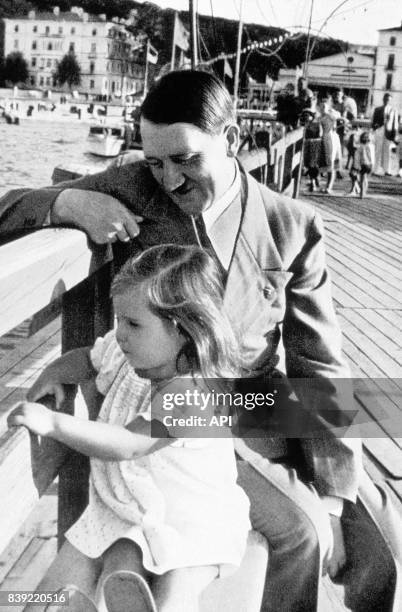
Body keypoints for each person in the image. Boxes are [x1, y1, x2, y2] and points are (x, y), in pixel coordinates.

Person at [1, 70, 401, 612]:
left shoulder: (291, 223)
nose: (169, 179)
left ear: (231, 140)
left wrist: (336, 489)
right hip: (182, 414)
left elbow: (319, 361)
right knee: (301, 532)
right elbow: (10, 206)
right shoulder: (133, 186)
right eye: (155, 161)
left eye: (186, 159)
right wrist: (69, 205)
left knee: (378, 522)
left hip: (263, 396)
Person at [8, 244, 251, 612]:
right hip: (133, 510)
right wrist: (52, 375)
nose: (120, 333)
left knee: (178, 580)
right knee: (123, 557)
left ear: (184, 330)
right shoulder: (127, 354)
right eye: (119, 319)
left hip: (195, 521)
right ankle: (103, 603)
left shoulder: (192, 394)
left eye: (133, 324)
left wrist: (55, 422)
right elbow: (85, 359)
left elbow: (128, 444)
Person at [318, 96, 342, 194]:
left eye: (325, 106)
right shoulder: (319, 118)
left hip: (331, 139)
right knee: (322, 162)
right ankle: (317, 184)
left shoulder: (331, 115)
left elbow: (340, 118)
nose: (323, 108)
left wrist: (330, 112)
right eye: (321, 106)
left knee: (331, 163)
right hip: (322, 140)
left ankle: (329, 186)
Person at [372, 93, 399, 176]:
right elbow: (373, 121)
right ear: (383, 99)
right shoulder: (377, 109)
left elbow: (395, 124)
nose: (386, 101)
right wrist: (375, 127)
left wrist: (394, 135)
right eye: (385, 99)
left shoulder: (393, 110)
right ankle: (375, 169)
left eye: (388, 99)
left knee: (387, 151)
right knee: (377, 150)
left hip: (389, 132)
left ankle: (387, 170)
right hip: (379, 130)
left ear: (390, 100)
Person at [355, 131, 375, 198]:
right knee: (365, 178)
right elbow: (372, 156)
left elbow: (357, 157)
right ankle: (364, 191)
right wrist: (373, 164)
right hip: (369, 164)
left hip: (362, 164)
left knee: (362, 178)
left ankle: (362, 192)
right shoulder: (371, 146)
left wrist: (356, 165)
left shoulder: (360, 147)